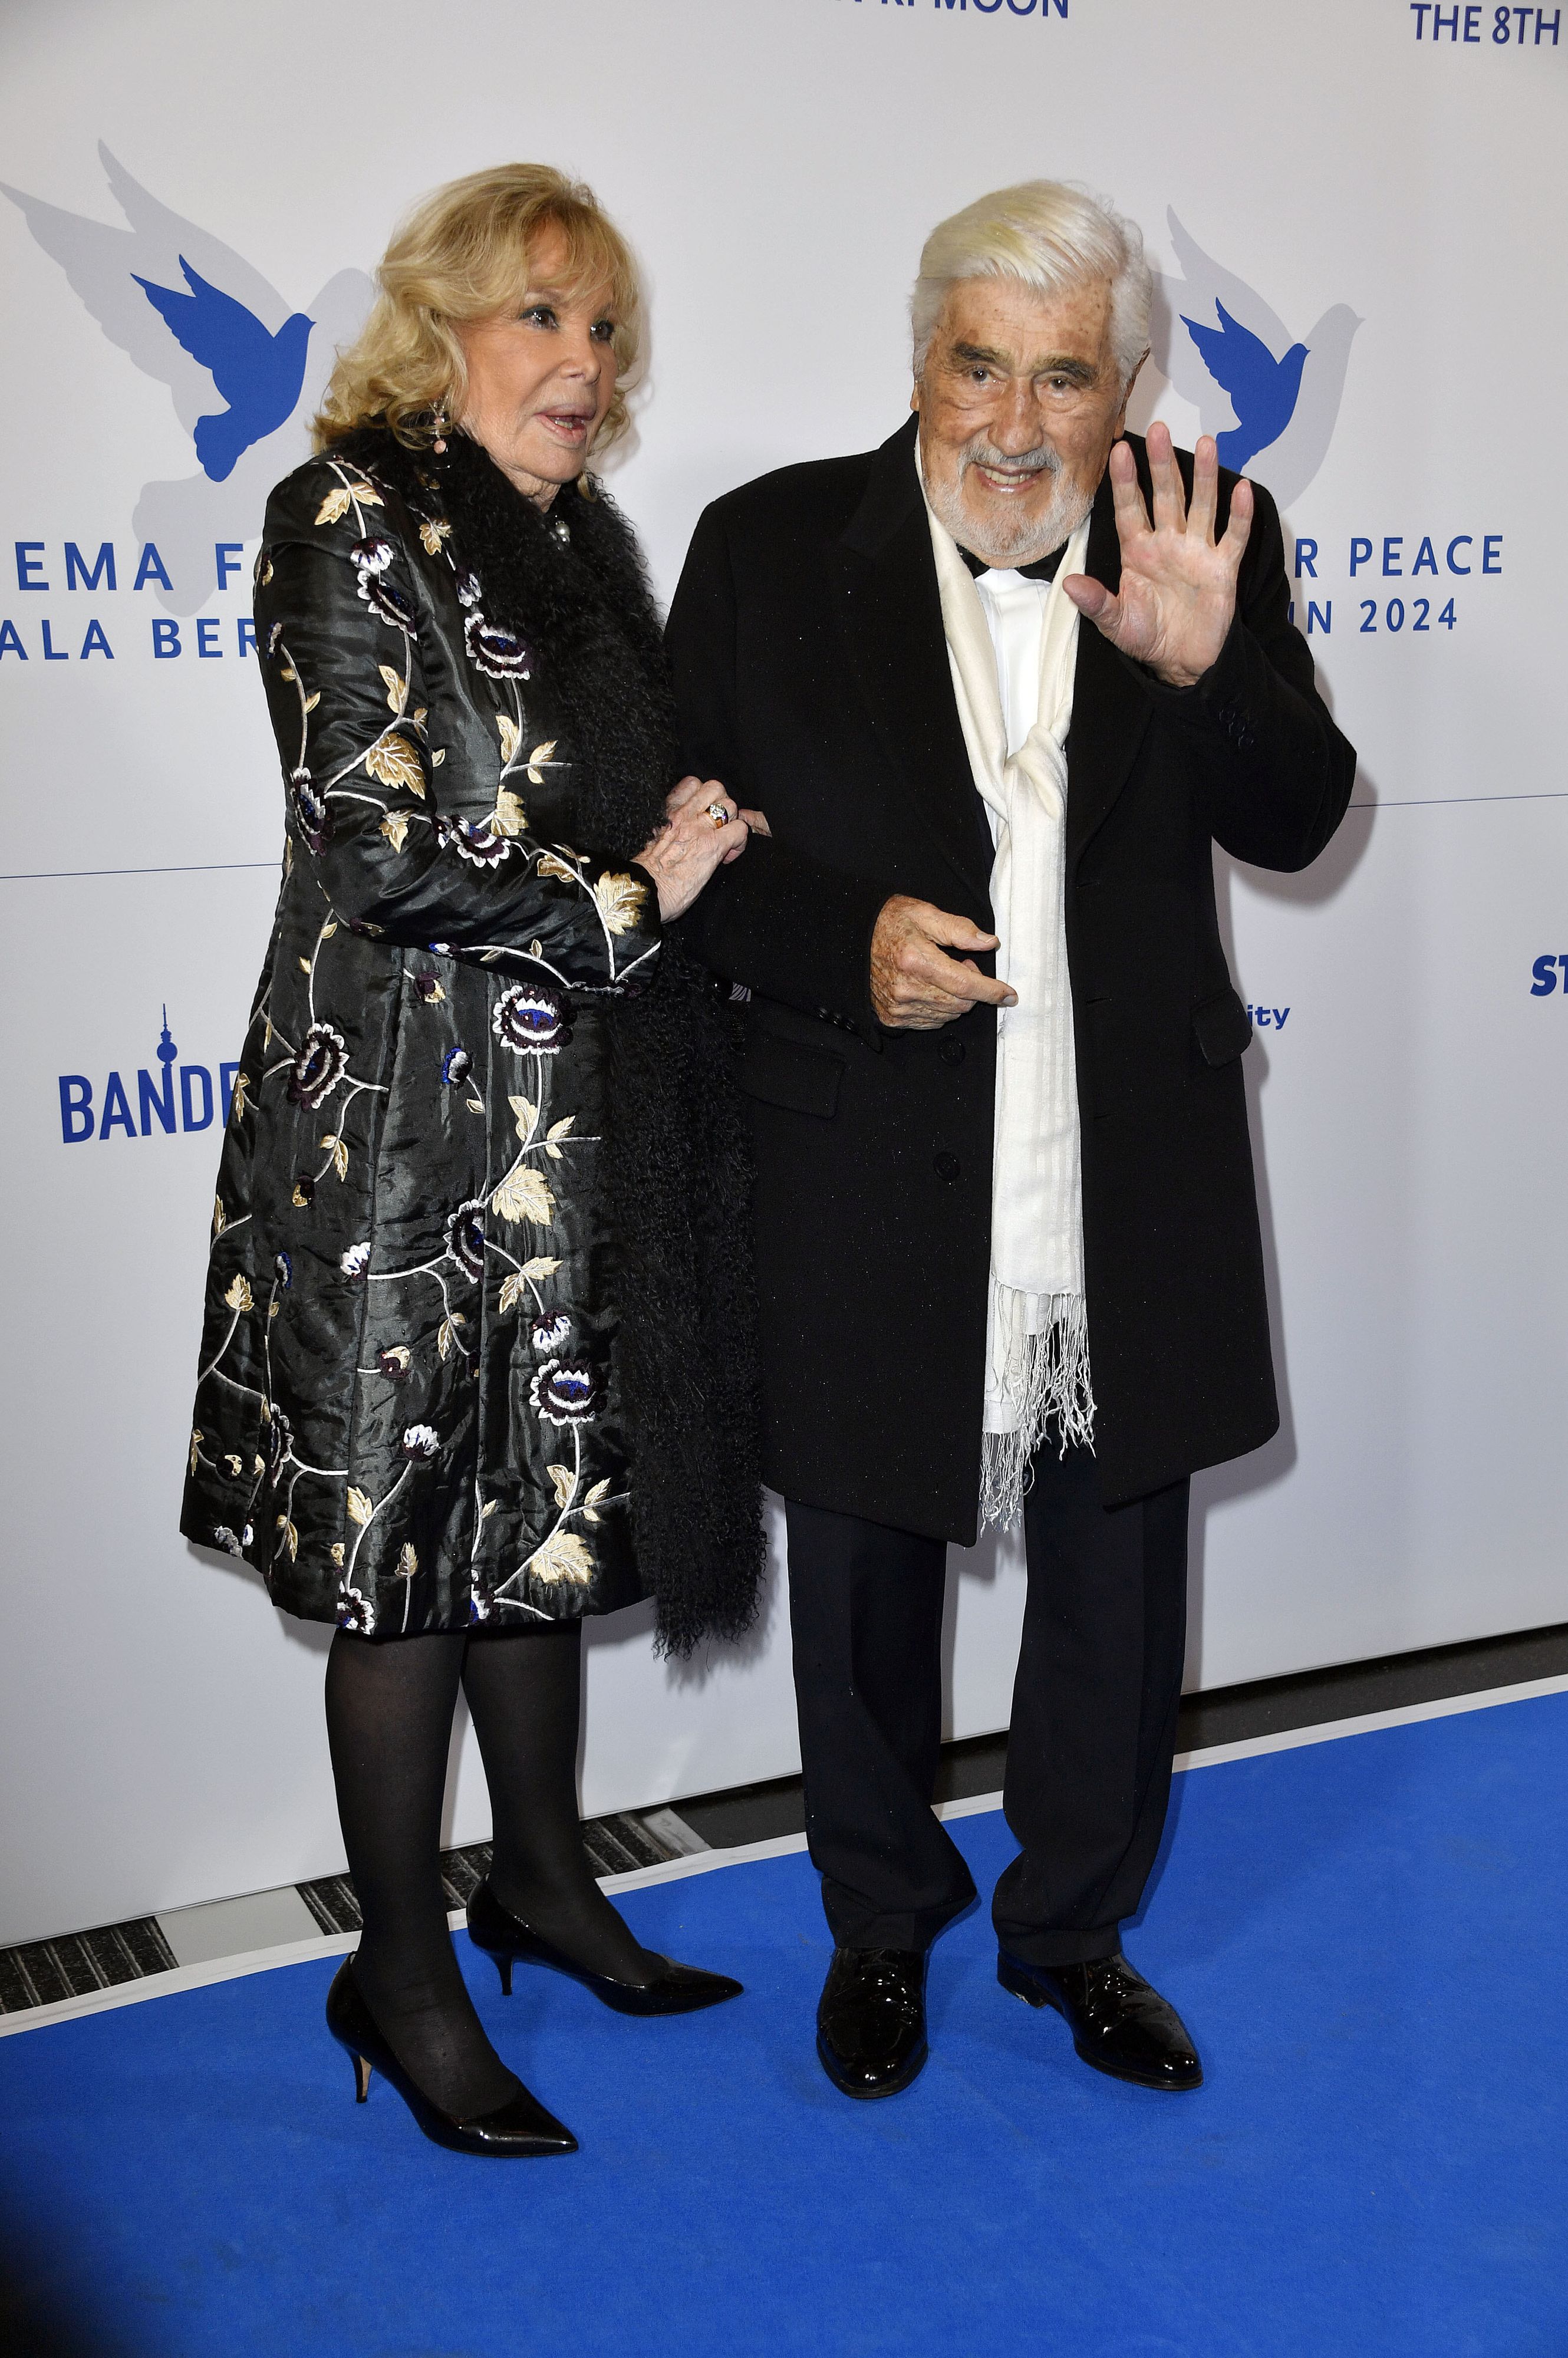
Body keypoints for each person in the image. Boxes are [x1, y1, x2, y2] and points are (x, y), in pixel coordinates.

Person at [666, 180, 1355, 2100]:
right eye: (978, 363)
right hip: (866, 1167)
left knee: (1114, 1587)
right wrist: (839, 945)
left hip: (1119, 1167)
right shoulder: (766, 546)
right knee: (867, 1576)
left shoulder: (1199, 536)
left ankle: (1071, 1934)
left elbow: (1297, 821)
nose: (1016, 419)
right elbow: (687, 862)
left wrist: (1206, 670)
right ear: (916, 361)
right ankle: (877, 1928)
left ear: (1125, 384)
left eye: (1065, 375)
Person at [182, 164, 765, 2157]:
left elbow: (583, 794)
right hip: (397, 1140)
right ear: (435, 326)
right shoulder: (341, 509)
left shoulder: (574, 539)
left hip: (566, 1127)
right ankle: (403, 1971)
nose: (584, 365)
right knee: (405, 1556)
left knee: (533, 1518)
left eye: (604, 329)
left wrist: (673, 831)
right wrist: (629, 899)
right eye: (542, 318)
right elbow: (374, 843)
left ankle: (540, 1882)